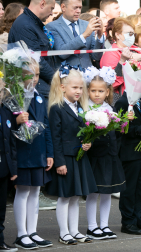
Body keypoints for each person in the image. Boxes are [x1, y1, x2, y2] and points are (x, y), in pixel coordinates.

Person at [46, 65, 97, 245]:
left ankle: (74, 231)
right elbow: (55, 137)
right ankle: (64, 232)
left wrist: (88, 142)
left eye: (81, 87)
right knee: (65, 196)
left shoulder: (80, 107)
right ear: (62, 87)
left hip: (79, 157)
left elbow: (82, 131)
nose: (79, 91)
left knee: (76, 196)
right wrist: (59, 162)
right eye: (75, 87)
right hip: (66, 158)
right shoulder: (57, 108)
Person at [12, 58, 53, 250]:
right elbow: (8, 127)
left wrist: (49, 152)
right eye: (30, 74)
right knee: (23, 191)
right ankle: (22, 233)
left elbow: (46, 127)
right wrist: (17, 121)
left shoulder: (39, 97)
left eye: (37, 75)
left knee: (36, 191)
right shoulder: (13, 97)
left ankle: (32, 231)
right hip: (22, 152)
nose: (35, 79)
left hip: (38, 152)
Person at [83, 67, 126, 240]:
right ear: (88, 91)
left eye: (100, 91)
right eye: (93, 91)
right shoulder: (86, 109)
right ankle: (92, 226)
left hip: (110, 155)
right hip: (95, 156)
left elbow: (117, 133)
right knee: (94, 192)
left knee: (108, 191)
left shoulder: (110, 108)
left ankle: (104, 225)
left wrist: (124, 123)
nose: (97, 94)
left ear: (107, 91)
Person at [114, 78, 141, 236]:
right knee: (130, 188)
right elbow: (119, 128)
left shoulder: (140, 101)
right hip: (130, 152)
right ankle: (127, 221)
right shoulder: (123, 102)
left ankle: (140, 218)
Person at [8, 0, 56, 98]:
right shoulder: (25, 25)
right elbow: (35, 60)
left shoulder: (32, 23)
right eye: (51, 8)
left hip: (40, 85)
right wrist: (56, 79)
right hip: (36, 88)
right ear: (42, 4)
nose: (52, 13)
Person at [46, 0, 105, 69]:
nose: (78, 11)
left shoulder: (86, 24)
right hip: (67, 77)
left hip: (88, 76)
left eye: (80, 7)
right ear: (63, 7)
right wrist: (84, 35)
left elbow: (96, 57)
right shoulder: (52, 26)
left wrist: (100, 36)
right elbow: (62, 53)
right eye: (75, 8)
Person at [100, 18, 141, 102]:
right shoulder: (110, 54)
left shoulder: (136, 49)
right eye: (129, 34)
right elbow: (111, 83)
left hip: (138, 95)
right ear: (117, 35)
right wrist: (122, 62)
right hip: (122, 99)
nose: (132, 37)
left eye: (133, 34)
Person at [0, 78, 18, 252]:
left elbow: (11, 141)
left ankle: (0, 240)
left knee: (1, 208)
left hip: (4, 167)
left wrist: (13, 167)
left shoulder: (5, 111)